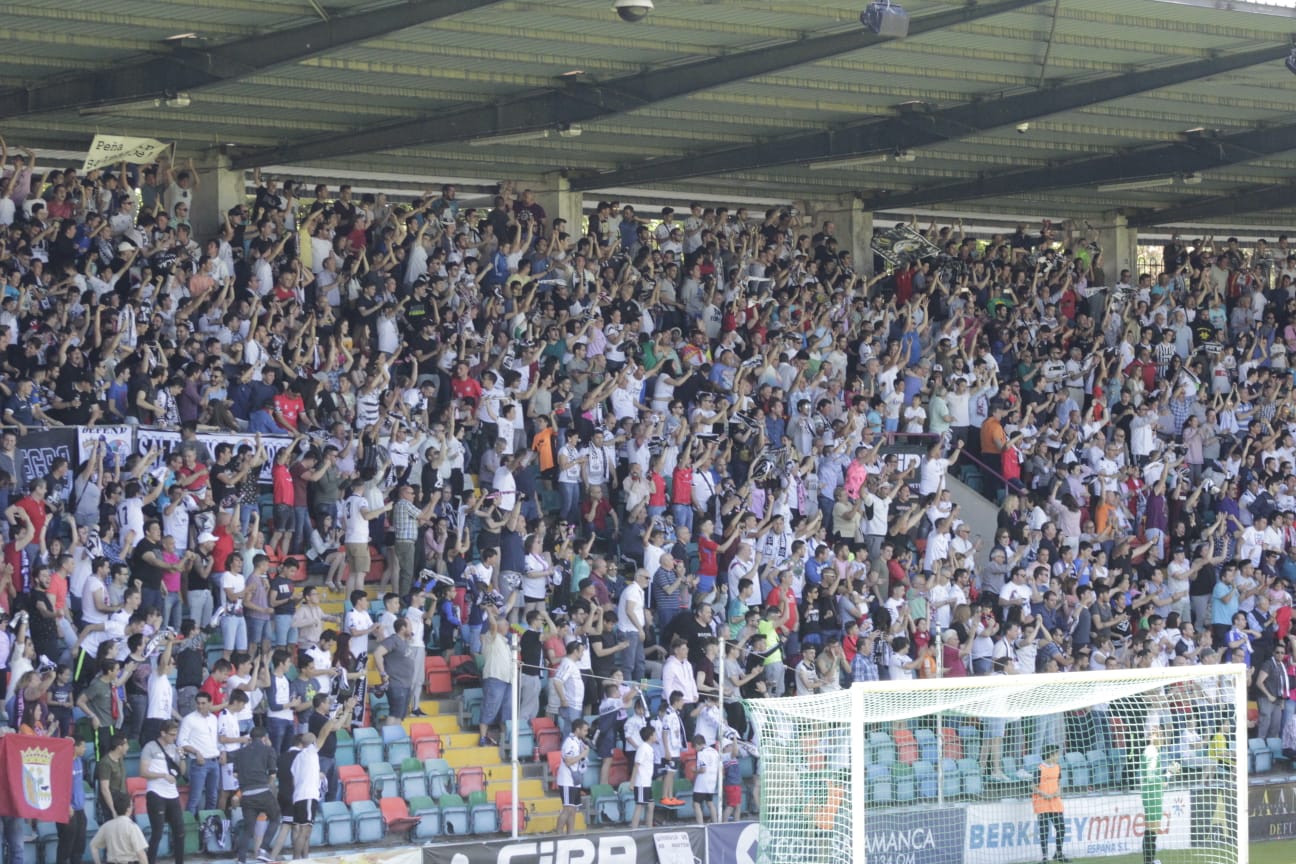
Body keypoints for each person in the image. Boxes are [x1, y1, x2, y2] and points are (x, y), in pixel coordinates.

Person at [291, 697, 353, 860]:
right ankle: (299, 858)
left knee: (332, 792)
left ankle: (304, 856)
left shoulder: (297, 758)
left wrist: (347, 711)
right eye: (327, 702)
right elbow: (334, 728)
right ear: (320, 704)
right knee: (305, 826)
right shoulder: (315, 719)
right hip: (322, 761)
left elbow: (343, 725)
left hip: (328, 760)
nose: (329, 704)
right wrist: (343, 711)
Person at [231, 727, 281, 864]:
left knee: (248, 828)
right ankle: (263, 849)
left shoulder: (240, 753)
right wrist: (268, 786)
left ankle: (241, 860)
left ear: (251, 738)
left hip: (246, 795)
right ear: (264, 738)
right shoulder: (268, 750)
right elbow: (272, 774)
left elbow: (235, 774)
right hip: (263, 792)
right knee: (276, 818)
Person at [140, 721, 185, 864]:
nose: (174, 737)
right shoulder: (150, 747)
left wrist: (182, 757)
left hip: (172, 793)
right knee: (157, 832)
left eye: (176, 734)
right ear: (163, 733)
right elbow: (143, 772)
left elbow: (182, 772)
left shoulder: (174, 747)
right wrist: (163, 775)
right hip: (156, 792)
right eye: (172, 734)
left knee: (180, 832)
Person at [177, 692, 220, 816]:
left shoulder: (213, 718)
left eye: (203, 703)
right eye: (198, 703)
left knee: (213, 796)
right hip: (199, 762)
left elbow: (215, 739)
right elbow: (181, 741)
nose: (200, 706)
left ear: (210, 703)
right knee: (195, 798)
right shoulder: (189, 719)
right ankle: (190, 827)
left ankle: (208, 825)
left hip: (214, 760)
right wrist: (196, 752)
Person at [55, 735, 89, 864]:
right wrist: (67, 805)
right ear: (74, 747)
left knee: (80, 844)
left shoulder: (80, 761)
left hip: (80, 809)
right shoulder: (63, 762)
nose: (85, 749)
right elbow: (59, 786)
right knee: (66, 845)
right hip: (67, 809)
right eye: (83, 746)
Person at [1033, 744, 1066, 864]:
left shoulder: (1058, 767)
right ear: (1051, 755)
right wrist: (1044, 794)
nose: (1058, 756)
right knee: (1044, 830)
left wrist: (1058, 791)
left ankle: (1058, 853)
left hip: (1055, 802)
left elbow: (1059, 782)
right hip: (1042, 803)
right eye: (1056, 754)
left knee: (1061, 828)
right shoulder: (1039, 769)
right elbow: (1033, 787)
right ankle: (1045, 857)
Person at [555, 718, 590, 835]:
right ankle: (558, 834)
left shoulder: (579, 742)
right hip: (567, 780)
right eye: (584, 730)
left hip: (575, 780)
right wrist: (582, 754)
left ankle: (571, 834)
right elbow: (568, 761)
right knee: (567, 808)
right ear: (577, 729)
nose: (586, 733)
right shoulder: (569, 742)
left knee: (573, 809)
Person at [629, 724, 658, 830]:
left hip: (647, 782)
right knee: (639, 806)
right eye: (655, 734)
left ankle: (649, 828)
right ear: (650, 736)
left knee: (651, 805)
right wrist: (632, 782)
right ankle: (634, 830)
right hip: (641, 782)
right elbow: (636, 765)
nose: (656, 736)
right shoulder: (643, 748)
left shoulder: (649, 748)